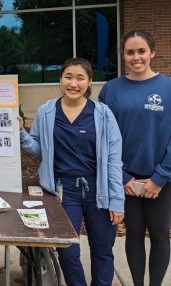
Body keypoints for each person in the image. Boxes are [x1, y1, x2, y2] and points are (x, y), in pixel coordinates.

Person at [19, 58, 125, 286]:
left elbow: (114, 160)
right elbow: (38, 148)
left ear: (89, 82)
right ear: (60, 79)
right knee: (67, 250)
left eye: (80, 78)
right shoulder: (47, 111)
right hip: (64, 191)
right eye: (68, 77)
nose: (73, 83)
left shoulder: (103, 114)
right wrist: (20, 133)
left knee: (102, 249)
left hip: (99, 190)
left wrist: (117, 200)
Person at [98, 30, 171, 286]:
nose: (136, 57)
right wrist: (123, 176)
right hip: (125, 180)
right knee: (134, 236)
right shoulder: (111, 90)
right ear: (123, 55)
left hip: (161, 181)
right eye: (130, 52)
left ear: (152, 52)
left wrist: (161, 177)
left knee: (161, 236)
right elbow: (103, 139)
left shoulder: (168, 88)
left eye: (141, 51)